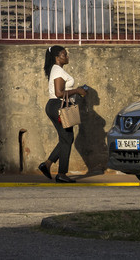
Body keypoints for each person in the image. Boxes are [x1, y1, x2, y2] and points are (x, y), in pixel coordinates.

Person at [39, 44, 90, 183]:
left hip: (56, 106)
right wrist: (77, 90)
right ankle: (61, 174)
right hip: (58, 106)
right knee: (67, 139)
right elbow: (59, 93)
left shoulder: (57, 69)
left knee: (65, 139)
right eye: (64, 54)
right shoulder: (57, 71)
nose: (67, 56)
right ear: (57, 57)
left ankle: (47, 164)